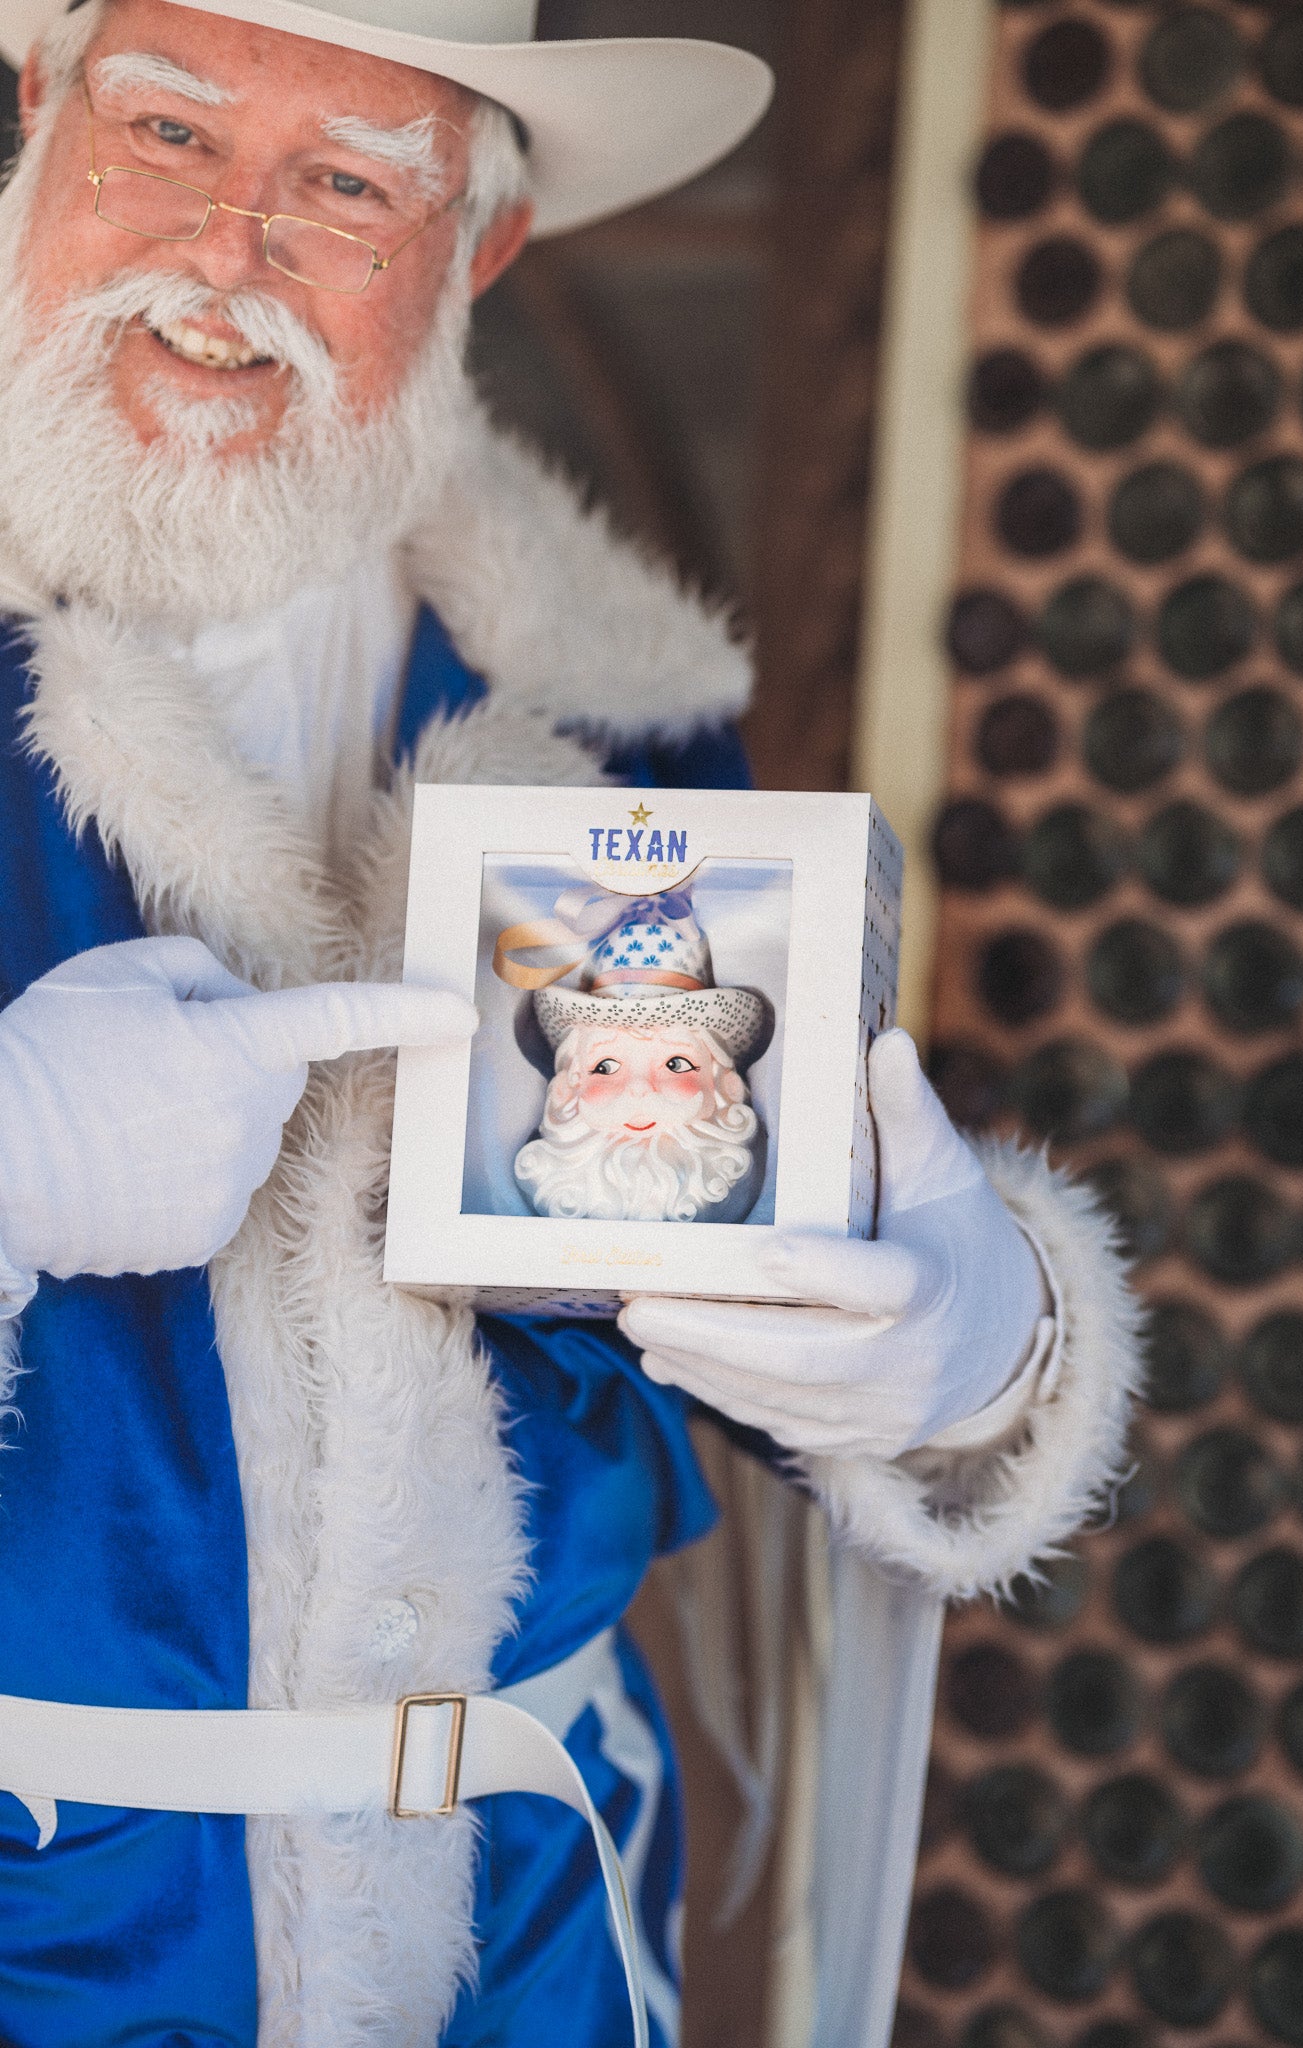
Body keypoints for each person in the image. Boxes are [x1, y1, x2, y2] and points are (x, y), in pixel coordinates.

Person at [0, 1, 1143, 2043]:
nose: (231, 247)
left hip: (523, 1934)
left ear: (476, 253)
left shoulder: (619, 717)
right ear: (35, 115)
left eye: (347, 182)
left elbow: (742, 1269)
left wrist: (966, 1362)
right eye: (168, 134)